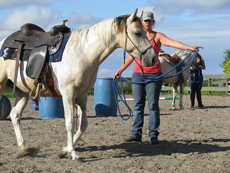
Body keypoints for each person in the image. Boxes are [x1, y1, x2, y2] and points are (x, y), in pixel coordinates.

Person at [113, 11, 203, 145]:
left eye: (149, 20)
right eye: (145, 20)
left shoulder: (157, 36)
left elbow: (172, 43)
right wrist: (120, 70)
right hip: (137, 74)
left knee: (153, 105)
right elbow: (131, 56)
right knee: (138, 105)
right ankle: (136, 133)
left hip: (154, 74)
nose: (147, 22)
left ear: (153, 22)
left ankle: (153, 134)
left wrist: (189, 47)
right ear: (141, 22)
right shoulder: (137, 37)